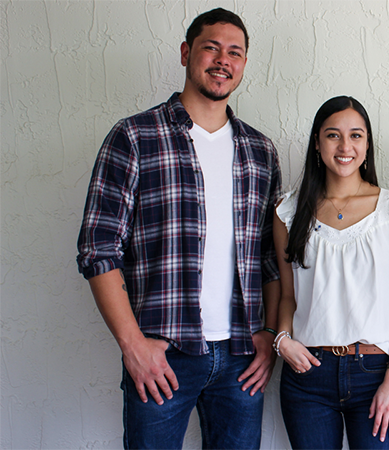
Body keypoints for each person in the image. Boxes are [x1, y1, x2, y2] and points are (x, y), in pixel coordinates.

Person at [76, 9, 281, 449]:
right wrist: (132, 345)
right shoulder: (134, 137)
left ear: (244, 64)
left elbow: (270, 257)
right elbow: (98, 250)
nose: (222, 60)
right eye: (211, 47)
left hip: (242, 356)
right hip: (163, 352)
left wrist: (268, 336)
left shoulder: (260, 151)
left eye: (235, 52)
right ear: (187, 52)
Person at [273, 96, 389, 449]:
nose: (345, 146)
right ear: (317, 143)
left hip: (374, 373)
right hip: (306, 373)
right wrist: (281, 340)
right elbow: (288, 295)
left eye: (356, 135)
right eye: (333, 135)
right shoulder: (289, 212)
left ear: (367, 145)